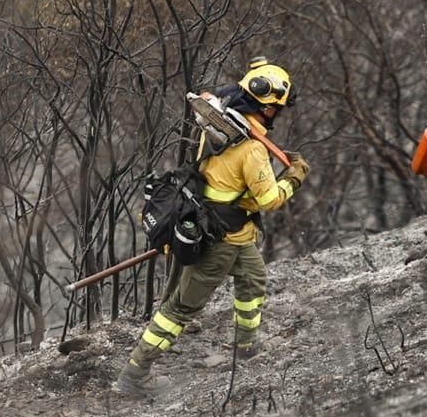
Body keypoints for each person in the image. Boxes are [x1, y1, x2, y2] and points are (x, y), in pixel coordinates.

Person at [116, 57, 310, 399]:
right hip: (220, 240)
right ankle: (134, 375)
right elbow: (269, 200)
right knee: (180, 309)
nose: (279, 115)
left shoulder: (217, 128)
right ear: (266, 108)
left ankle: (246, 348)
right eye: (277, 109)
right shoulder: (251, 149)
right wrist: (294, 177)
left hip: (230, 230)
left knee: (253, 279)